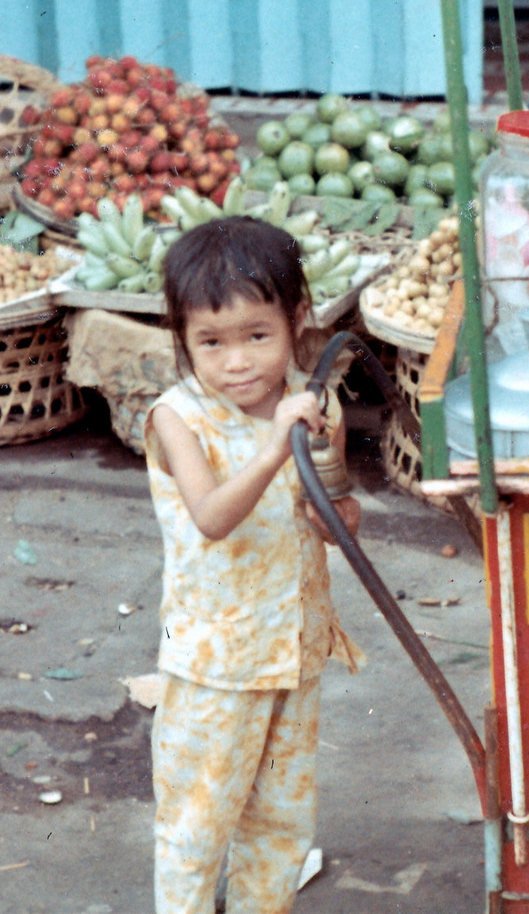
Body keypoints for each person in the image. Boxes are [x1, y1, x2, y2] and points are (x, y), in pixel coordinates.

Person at [144, 215, 364, 914]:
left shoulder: (311, 402)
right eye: (211, 342)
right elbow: (210, 517)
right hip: (216, 667)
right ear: (182, 337)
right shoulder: (177, 418)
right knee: (197, 822)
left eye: (257, 337)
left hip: (293, 651)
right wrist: (276, 450)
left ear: (297, 319)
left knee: (281, 822)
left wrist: (337, 515)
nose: (236, 362)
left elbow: (337, 515)